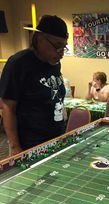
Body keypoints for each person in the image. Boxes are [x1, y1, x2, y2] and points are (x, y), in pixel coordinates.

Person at [0, 15, 69, 155]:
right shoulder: (18, 63)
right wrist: (15, 148)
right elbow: (7, 107)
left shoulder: (54, 63)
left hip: (55, 138)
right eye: (57, 46)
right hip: (30, 143)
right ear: (39, 38)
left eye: (64, 46)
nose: (61, 52)